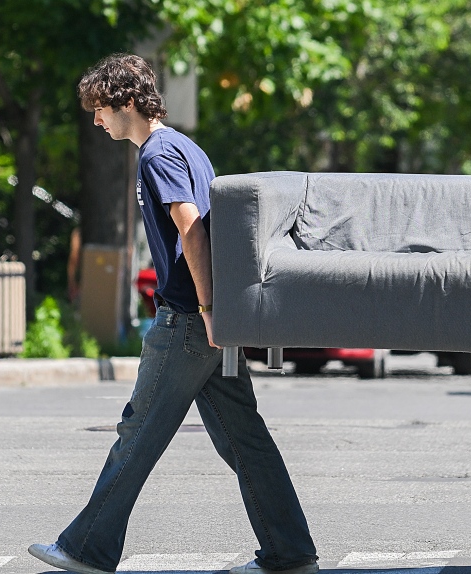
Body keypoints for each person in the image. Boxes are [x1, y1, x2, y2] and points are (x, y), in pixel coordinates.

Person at [28, 54, 320, 574]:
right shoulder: (184, 146)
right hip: (208, 318)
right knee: (245, 440)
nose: (95, 120)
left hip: (188, 320)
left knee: (137, 435)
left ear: (124, 101)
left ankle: (86, 549)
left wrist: (207, 310)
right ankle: (290, 552)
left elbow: (192, 230)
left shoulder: (158, 155)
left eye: (99, 109)